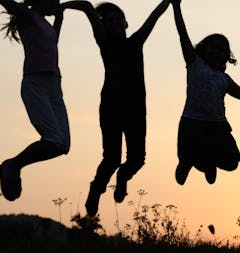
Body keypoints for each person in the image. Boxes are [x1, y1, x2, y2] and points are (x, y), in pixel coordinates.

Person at [60, 0, 171, 216]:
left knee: (137, 159)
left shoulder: (136, 41)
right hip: (112, 107)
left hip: (136, 109)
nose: (114, 23)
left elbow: (155, 15)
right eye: (108, 20)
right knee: (111, 158)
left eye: (118, 18)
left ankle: (123, 177)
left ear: (126, 22)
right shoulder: (104, 42)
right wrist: (61, 6)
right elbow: (86, 7)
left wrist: (169, 2)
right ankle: (96, 189)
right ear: (103, 26)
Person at [170, 0, 240, 185]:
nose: (217, 52)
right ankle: (188, 162)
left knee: (232, 162)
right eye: (213, 47)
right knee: (187, 154)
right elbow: (182, 35)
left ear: (227, 56)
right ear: (203, 48)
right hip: (192, 122)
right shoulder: (195, 64)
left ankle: (207, 162)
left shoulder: (223, 79)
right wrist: (176, 6)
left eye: (222, 50)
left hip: (216, 126)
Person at [0, 0, 70, 201]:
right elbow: (10, 6)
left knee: (63, 145)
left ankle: (12, 165)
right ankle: (12, 166)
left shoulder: (44, 24)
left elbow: (50, 45)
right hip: (35, 83)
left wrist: (60, 20)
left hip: (54, 85)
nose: (57, 2)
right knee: (53, 140)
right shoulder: (29, 16)